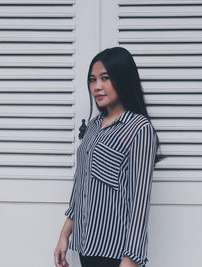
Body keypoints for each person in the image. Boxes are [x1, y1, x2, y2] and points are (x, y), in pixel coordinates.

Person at [54, 47, 160, 267]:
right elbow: (80, 186)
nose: (97, 86)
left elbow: (140, 201)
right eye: (93, 80)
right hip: (86, 245)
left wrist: (131, 259)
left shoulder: (139, 129)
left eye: (105, 78)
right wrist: (64, 235)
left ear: (122, 79)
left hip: (116, 253)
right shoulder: (93, 126)